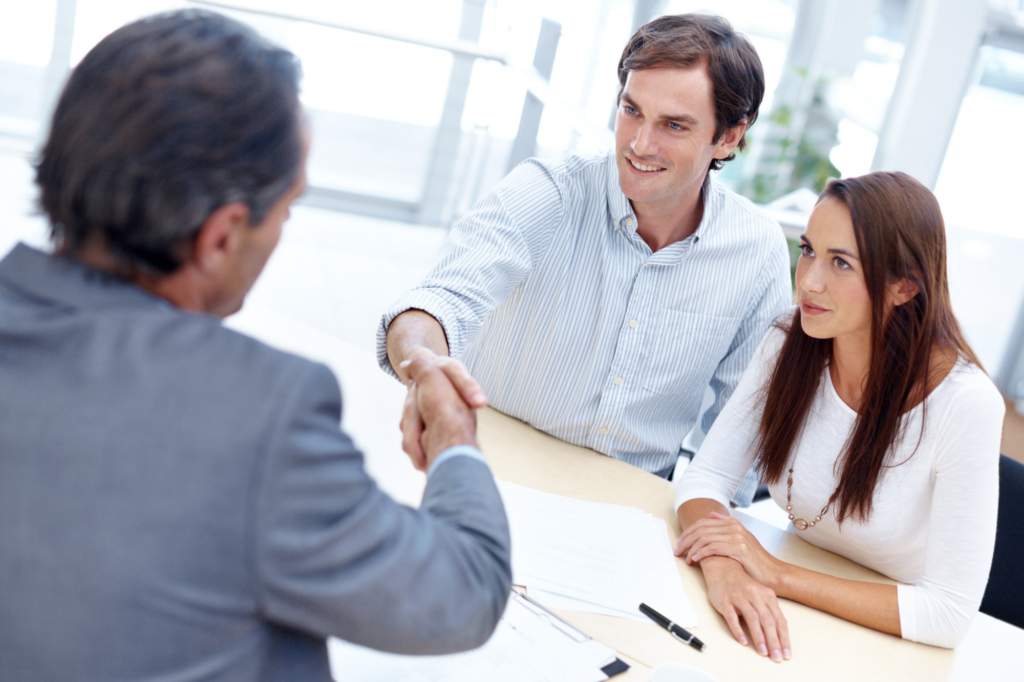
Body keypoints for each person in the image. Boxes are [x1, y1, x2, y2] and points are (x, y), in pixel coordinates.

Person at [0, 11, 511, 682]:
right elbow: (462, 595)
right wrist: (453, 435)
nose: (285, 227)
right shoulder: (255, 412)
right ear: (220, 237)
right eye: (286, 206)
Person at [379, 14, 791, 505]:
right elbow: (437, 302)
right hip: (489, 474)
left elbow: (741, 428)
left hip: (629, 506)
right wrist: (424, 361)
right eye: (631, 110)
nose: (639, 144)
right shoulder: (546, 192)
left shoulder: (757, 249)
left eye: (673, 125)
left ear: (728, 137)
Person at [673, 171, 1004, 662]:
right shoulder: (790, 339)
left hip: (889, 647)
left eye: (841, 263)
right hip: (796, 618)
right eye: (808, 250)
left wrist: (777, 574)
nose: (808, 279)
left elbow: (947, 615)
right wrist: (725, 568)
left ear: (904, 288)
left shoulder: (965, 404)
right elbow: (708, 476)